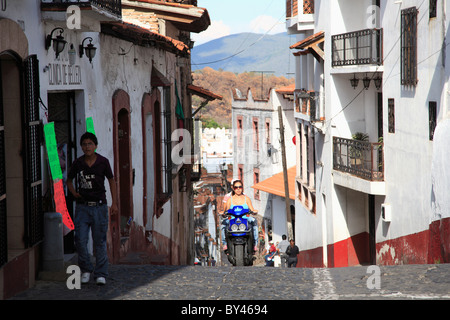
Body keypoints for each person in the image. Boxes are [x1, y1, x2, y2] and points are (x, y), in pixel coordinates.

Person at [67, 132, 118, 285]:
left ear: (95, 146)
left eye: (90, 144)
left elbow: (111, 181)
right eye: (84, 144)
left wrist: (114, 202)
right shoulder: (78, 163)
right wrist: (73, 192)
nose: (87, 146)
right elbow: (69, 180)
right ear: (81, 146)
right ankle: (86, 269)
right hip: (82, 208)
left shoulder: (103, 162)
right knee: (80, 240)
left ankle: (101, 273)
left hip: (99, 207)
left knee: (100, 241)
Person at [221, 180, 258, 252]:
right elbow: (226, 210)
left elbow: (252, 209)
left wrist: (254, 211)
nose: (238, 189)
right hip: (232, 219)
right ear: (233, 188)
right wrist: (223, 213)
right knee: (223, 224)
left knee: (254, 221)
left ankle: (254, 243)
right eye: (236, 187)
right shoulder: (229, 200)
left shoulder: (246, 198)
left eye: (240, 187)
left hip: (245, 218)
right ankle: (225, 243)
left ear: (242, 188)